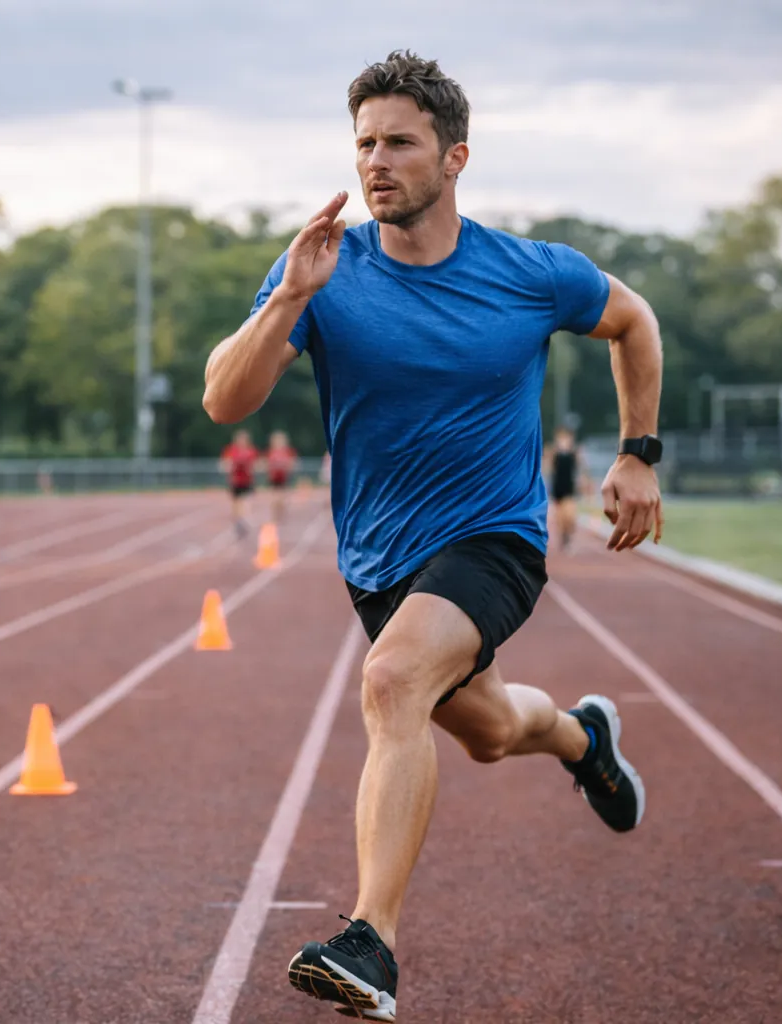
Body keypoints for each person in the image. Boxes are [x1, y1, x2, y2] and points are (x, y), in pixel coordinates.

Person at [202, 51, 664, 1021]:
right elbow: (222, 400)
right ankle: (584, 738)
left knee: (391, 680)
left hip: (495, 537)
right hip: (379, 557)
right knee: (492, 732)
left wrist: (638, 452)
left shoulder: (532, 275)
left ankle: (371, 941)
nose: (377, 161)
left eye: (399, 142)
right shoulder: (325, 273)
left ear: (454, 157)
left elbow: (635, 321)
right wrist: (288, 295)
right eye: (363, 142)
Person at [545, 425, 592, 553]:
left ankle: (568, 533)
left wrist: (585, 483)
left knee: (569, 516)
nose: (564, 440)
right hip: (557, 487)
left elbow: (582, 469)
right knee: (560, 518)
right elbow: (547, 468)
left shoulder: (575, 452)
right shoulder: (553, 451)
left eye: (566, 437)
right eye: (561, 437)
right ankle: (563, 537)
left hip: (569, 488)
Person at [218, 429, 259, 537]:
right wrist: (230, 466)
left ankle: (244, 520)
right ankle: (238, 522)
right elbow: (223, 464)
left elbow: (256, 465)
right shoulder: (231, 450)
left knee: (246, 502)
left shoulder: (251, 451)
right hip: (235, 481)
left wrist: (251, 468)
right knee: (236, 504)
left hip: (247, 481)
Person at [265, 429, 299, 523]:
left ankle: (281, 514)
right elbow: (266, 463)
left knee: (283, 498)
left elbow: (294, 463)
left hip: (284, 478)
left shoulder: (288, 452)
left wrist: (288, 467)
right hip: (274, 478)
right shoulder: (271, 452)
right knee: (276, 498)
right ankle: (275, 515)